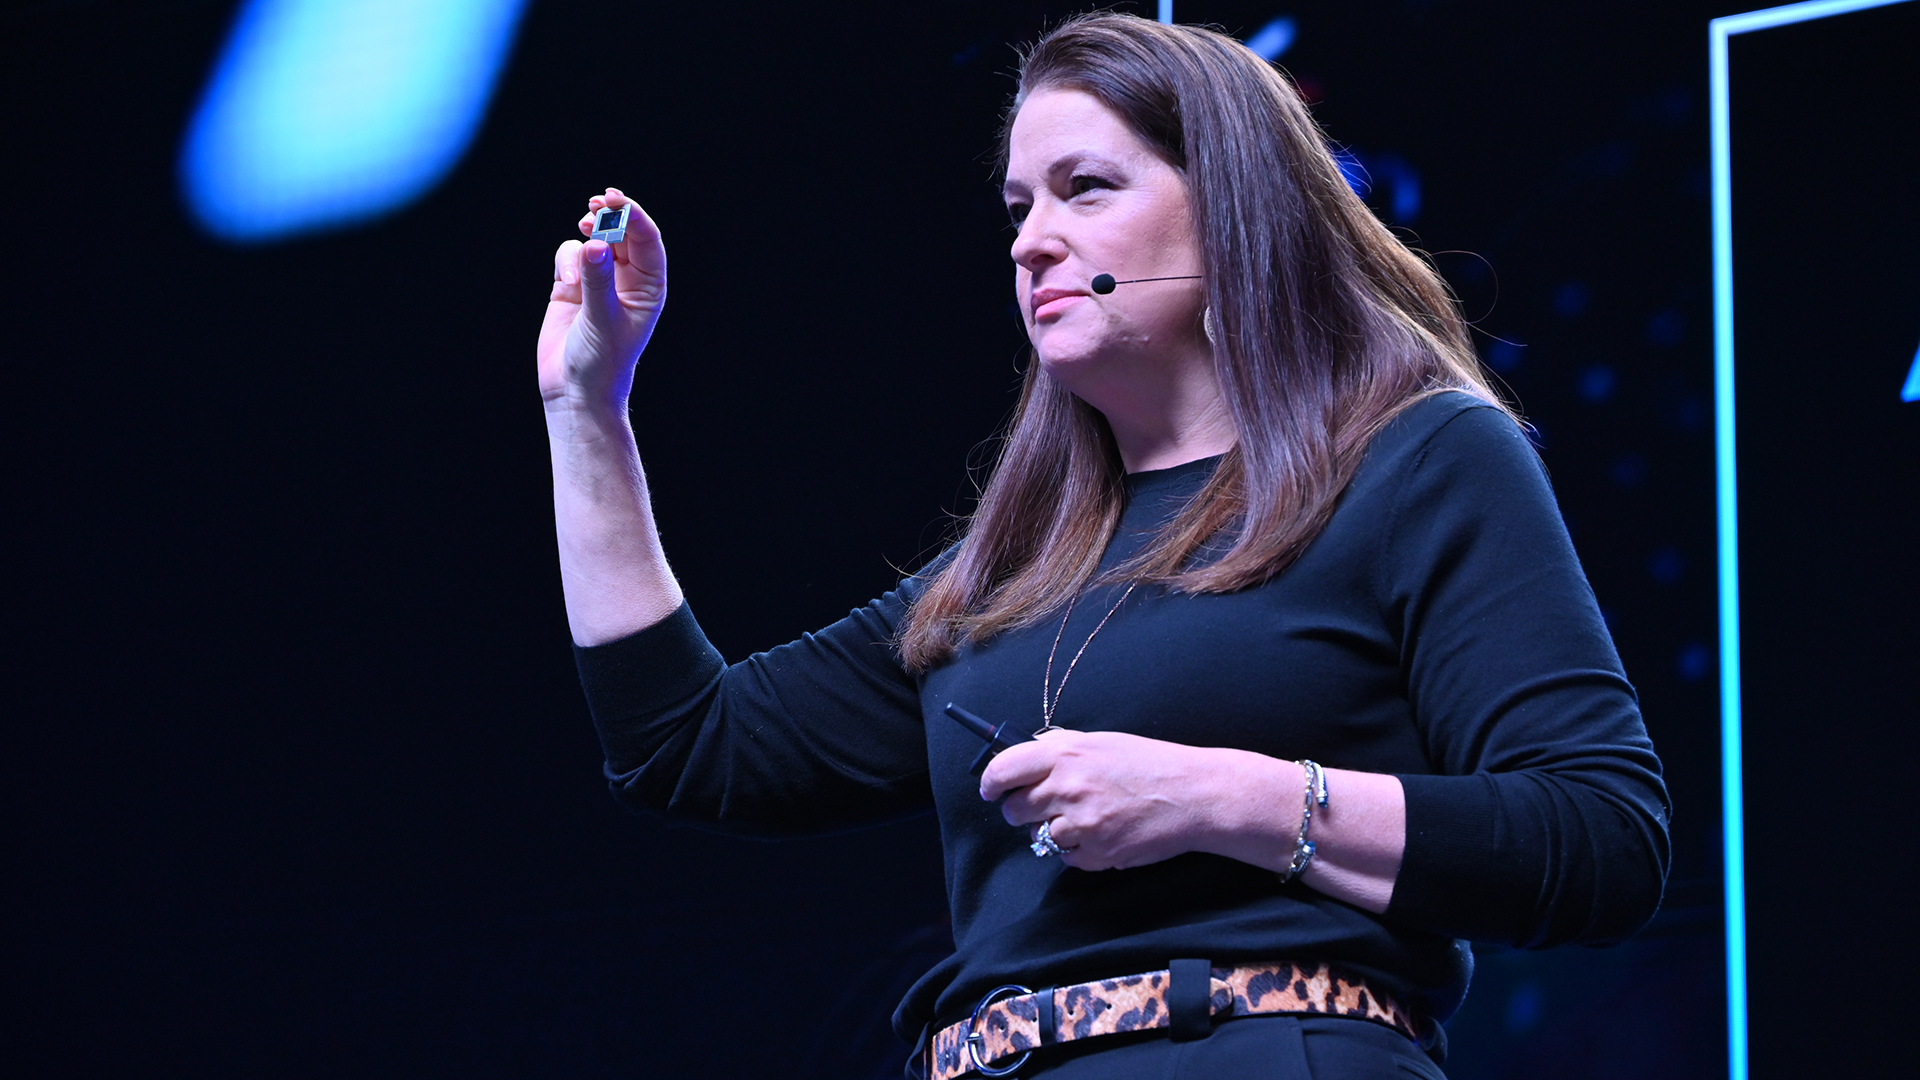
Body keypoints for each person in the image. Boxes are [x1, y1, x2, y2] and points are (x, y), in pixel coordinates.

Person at [535, 13, 1669, 1079]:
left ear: (1231, 210)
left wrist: (1213, 797)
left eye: (1085, 188)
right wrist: (587, 405)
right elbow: (687, 745)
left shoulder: (1417, 461)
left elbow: (1600, 836)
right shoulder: (1014, 560)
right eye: (1020, 207)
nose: (1032, 242)